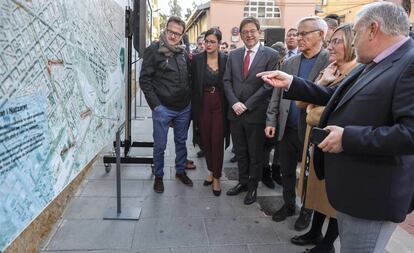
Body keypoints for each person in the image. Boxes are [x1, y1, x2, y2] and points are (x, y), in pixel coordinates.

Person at [258, 3, 414, 252]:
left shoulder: (408, 63)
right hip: (354, 190)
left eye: (358, 32)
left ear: (373, 30)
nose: (354, 41)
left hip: (373, 197)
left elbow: (410, 133)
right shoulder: (376, 62)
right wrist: (292, 83)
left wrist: (348, 138)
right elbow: (335, 95)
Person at [292, 24, 357, 253]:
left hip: (333, 145)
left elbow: (321, 114)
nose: (330, 46)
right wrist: (323, 82)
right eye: (331, 41)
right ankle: (313, 232)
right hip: (315, 143)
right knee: (316, 192)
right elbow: (301, 102)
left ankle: (326, 244)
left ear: (351, 43)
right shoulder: (330, 69)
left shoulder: (355, 72)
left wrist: (313, 110)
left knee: (332, 198)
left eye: (337, 41)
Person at [265, 16, 329, 231]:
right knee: (286, 170)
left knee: (309, 174)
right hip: (286, 127)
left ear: (321, 34)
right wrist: (271, 120)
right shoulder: (291, 61)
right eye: (297, 34)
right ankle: (289, 204)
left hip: (311, 130)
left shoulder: (329, 61)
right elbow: (276, 94)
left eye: (304, 33)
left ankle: (306, 211)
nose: (298, 38)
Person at [224, 16, 279, 205]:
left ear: (259, 32)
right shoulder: (234, 55)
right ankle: (243, 182)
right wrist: (234, 103)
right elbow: (226, 81)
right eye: (245, 32)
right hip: (235, 113)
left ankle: (253, 187)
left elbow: (268, 86)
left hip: (255, 113)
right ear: (240, 35)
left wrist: (247, 104)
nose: (249, 35)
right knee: (240, 151)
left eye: (252, 31)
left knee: (255, 154)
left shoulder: (271, 55)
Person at [139, 16, 193, 193]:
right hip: (163, 108)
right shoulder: (154, 50)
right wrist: (156, 106)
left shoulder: (183, 52)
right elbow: (144, 80)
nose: (173, 36)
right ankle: (159, 176)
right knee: (160, 145)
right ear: (165, 29)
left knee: (181, 141)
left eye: (177, 34)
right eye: (170, 32)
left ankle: (180, 171)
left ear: (182, 35)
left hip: (183, 108)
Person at [191, 28, 229, 196]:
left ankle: (217, 178)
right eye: (207, 41)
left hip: (220, 102)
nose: (208, 44)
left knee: (216, 140)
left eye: (212, 41)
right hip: (203, 102)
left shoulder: (226, 59)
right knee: (205, 139)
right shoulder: (197, 59)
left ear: (219, 43)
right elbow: (191, 83)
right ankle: (211, 170)